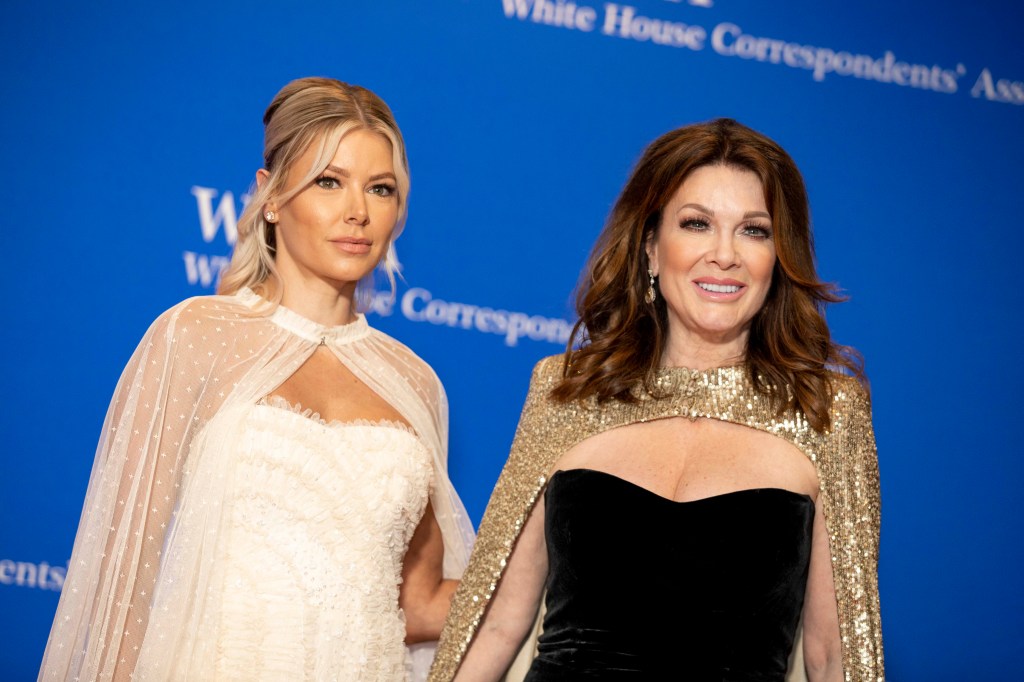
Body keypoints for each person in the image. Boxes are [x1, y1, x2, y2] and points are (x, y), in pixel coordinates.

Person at [38, 77, 474, 682]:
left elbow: (417, 599)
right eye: (329, 181)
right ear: (271, 196)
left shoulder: (416, 382)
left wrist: (558, 559)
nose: (358, 211)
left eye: (381, 188)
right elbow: (126, 571)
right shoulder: (197, 335)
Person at [429, 119, 883, 682]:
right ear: (650, 249)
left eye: (754, 231)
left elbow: (836, 657)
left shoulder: (825, 413)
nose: (724, 255)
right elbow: (495, 623)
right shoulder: (568, 390)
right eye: (696, 224)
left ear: (778, 258)